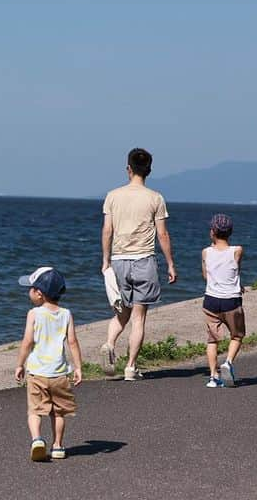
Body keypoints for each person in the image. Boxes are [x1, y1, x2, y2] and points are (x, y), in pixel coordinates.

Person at [99, 148, 177, 381]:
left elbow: (107, 230)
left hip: (119, 260)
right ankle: (131, 367)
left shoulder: (113, 196)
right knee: (139, 318)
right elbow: (162, 235)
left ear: (128, 169)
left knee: (121, 312)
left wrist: (106, 261)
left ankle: (110, 343)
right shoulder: (155, 198)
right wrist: (171, 264)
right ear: (149, 171)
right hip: (144, 260)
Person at [14, 266, 83, 461]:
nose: (29, 292)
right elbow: (72, 342)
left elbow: (27, 342)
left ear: (39, 293)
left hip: (37, 372)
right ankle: (58, 446)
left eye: (31, 288)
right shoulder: (66, 314)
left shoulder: (34, 314)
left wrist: (20, 364)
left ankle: (37, 440)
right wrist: (78, 367)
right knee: (58, 412)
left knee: (35, 410)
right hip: (59, 373)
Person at [202, 213, 245, 388]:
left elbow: (206, 276)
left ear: (212, 231)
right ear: (230, 232)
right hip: (231, 300)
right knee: (237, 335)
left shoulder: (206, 252)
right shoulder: (237, 250)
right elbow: (236, 271)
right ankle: (227, 362)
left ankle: (213, 376)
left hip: (211, 300)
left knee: (212, 339)